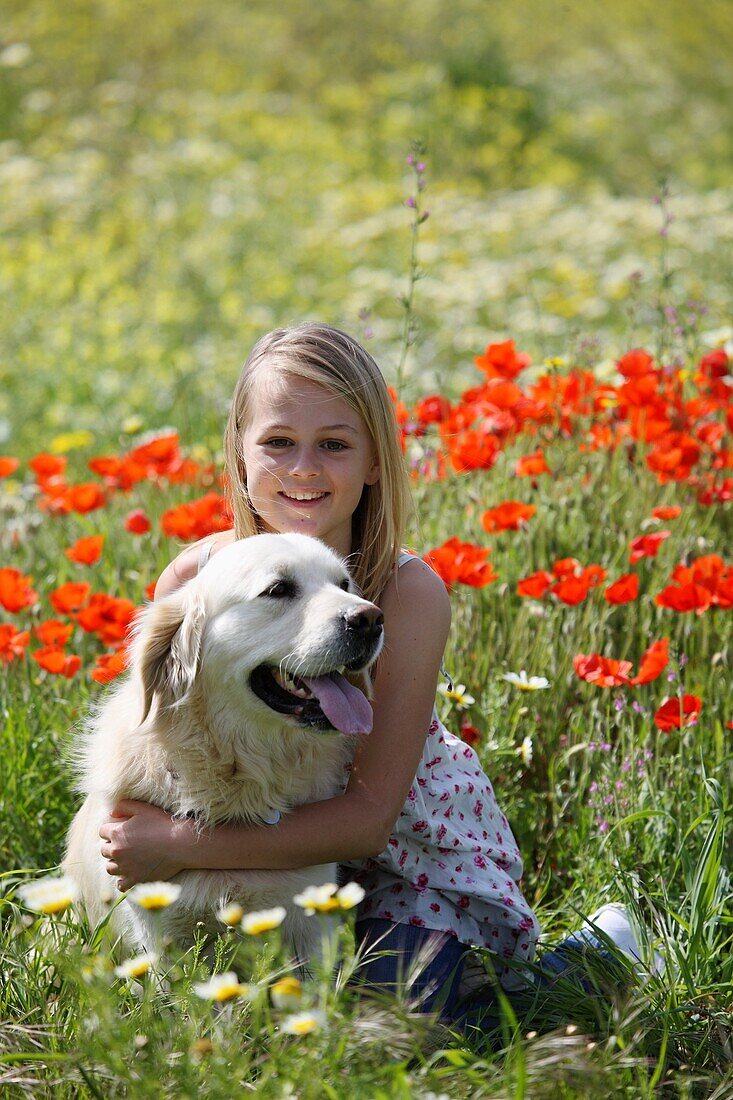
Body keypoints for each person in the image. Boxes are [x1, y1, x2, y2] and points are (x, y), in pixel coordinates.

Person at [98, 322, 653, 1031]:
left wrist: (175, 847)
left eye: (333, 444)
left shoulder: (405, 592)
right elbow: (159, 737)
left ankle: (592, 958)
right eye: (276, 442)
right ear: (238, 452)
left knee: (389, 1031)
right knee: (244, 1025)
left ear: (372, 464)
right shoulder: (195, 580)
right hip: (267, 848)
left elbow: (366, 821)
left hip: (403, 865)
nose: (303, 467)